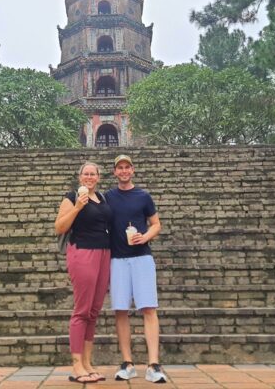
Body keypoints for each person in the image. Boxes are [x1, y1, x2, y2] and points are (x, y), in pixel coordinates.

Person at [105, 154, 166, 384]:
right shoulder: (108, 197)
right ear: (114, 172)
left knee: (149, 308)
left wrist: (146, 237)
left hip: (141, 258)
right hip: (118, 259)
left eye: (127, 167)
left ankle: (153, 364)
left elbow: (156, 223)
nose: (123, 171)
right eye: (119, 167)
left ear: (133, 170)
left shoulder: (143, 196)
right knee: (120, 310)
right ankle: (128, 362)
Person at [55, 161, 112, 383]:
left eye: (93, 174)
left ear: (98, 177)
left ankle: (88, 362)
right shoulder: (71, 197)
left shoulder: (103, 198)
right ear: (80, 177)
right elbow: (59, 227)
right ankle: (77, 363)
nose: (89, 177)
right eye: (85, 173)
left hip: (104, 253)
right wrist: (78, 206)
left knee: (94, 311)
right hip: (83, 252)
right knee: (82, 310)